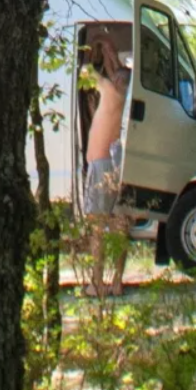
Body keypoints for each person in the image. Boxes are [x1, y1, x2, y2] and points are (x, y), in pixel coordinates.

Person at [83, 32, 132, 297]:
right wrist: (111, 54)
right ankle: (117, 281)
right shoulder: (124, 99)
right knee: (120, 224)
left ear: (115, 81)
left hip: (101, 165)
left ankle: (95, 282)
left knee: (97, 226)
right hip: (119, 165)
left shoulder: (110, 91)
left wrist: (96, 45)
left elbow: (84, 72)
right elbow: (118, 73)